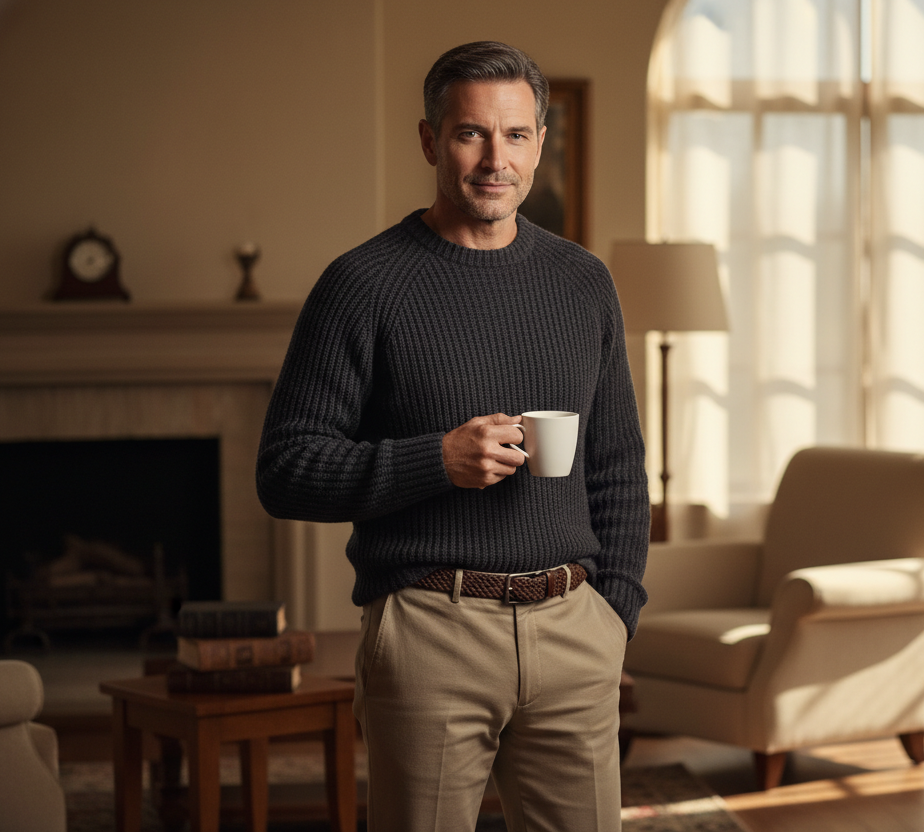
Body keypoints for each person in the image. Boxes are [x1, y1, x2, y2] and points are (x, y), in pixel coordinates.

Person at [255, 41, 649, 832]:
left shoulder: (583, 282)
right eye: (471, 134)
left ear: (541, 141)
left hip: (576, 630)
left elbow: (618, 468)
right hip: (433, 631)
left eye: (515, 135)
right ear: (431, 140)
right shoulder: (362, 284)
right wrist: (434, 459)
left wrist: (616, 614)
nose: (494, 159)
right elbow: (286, 469)